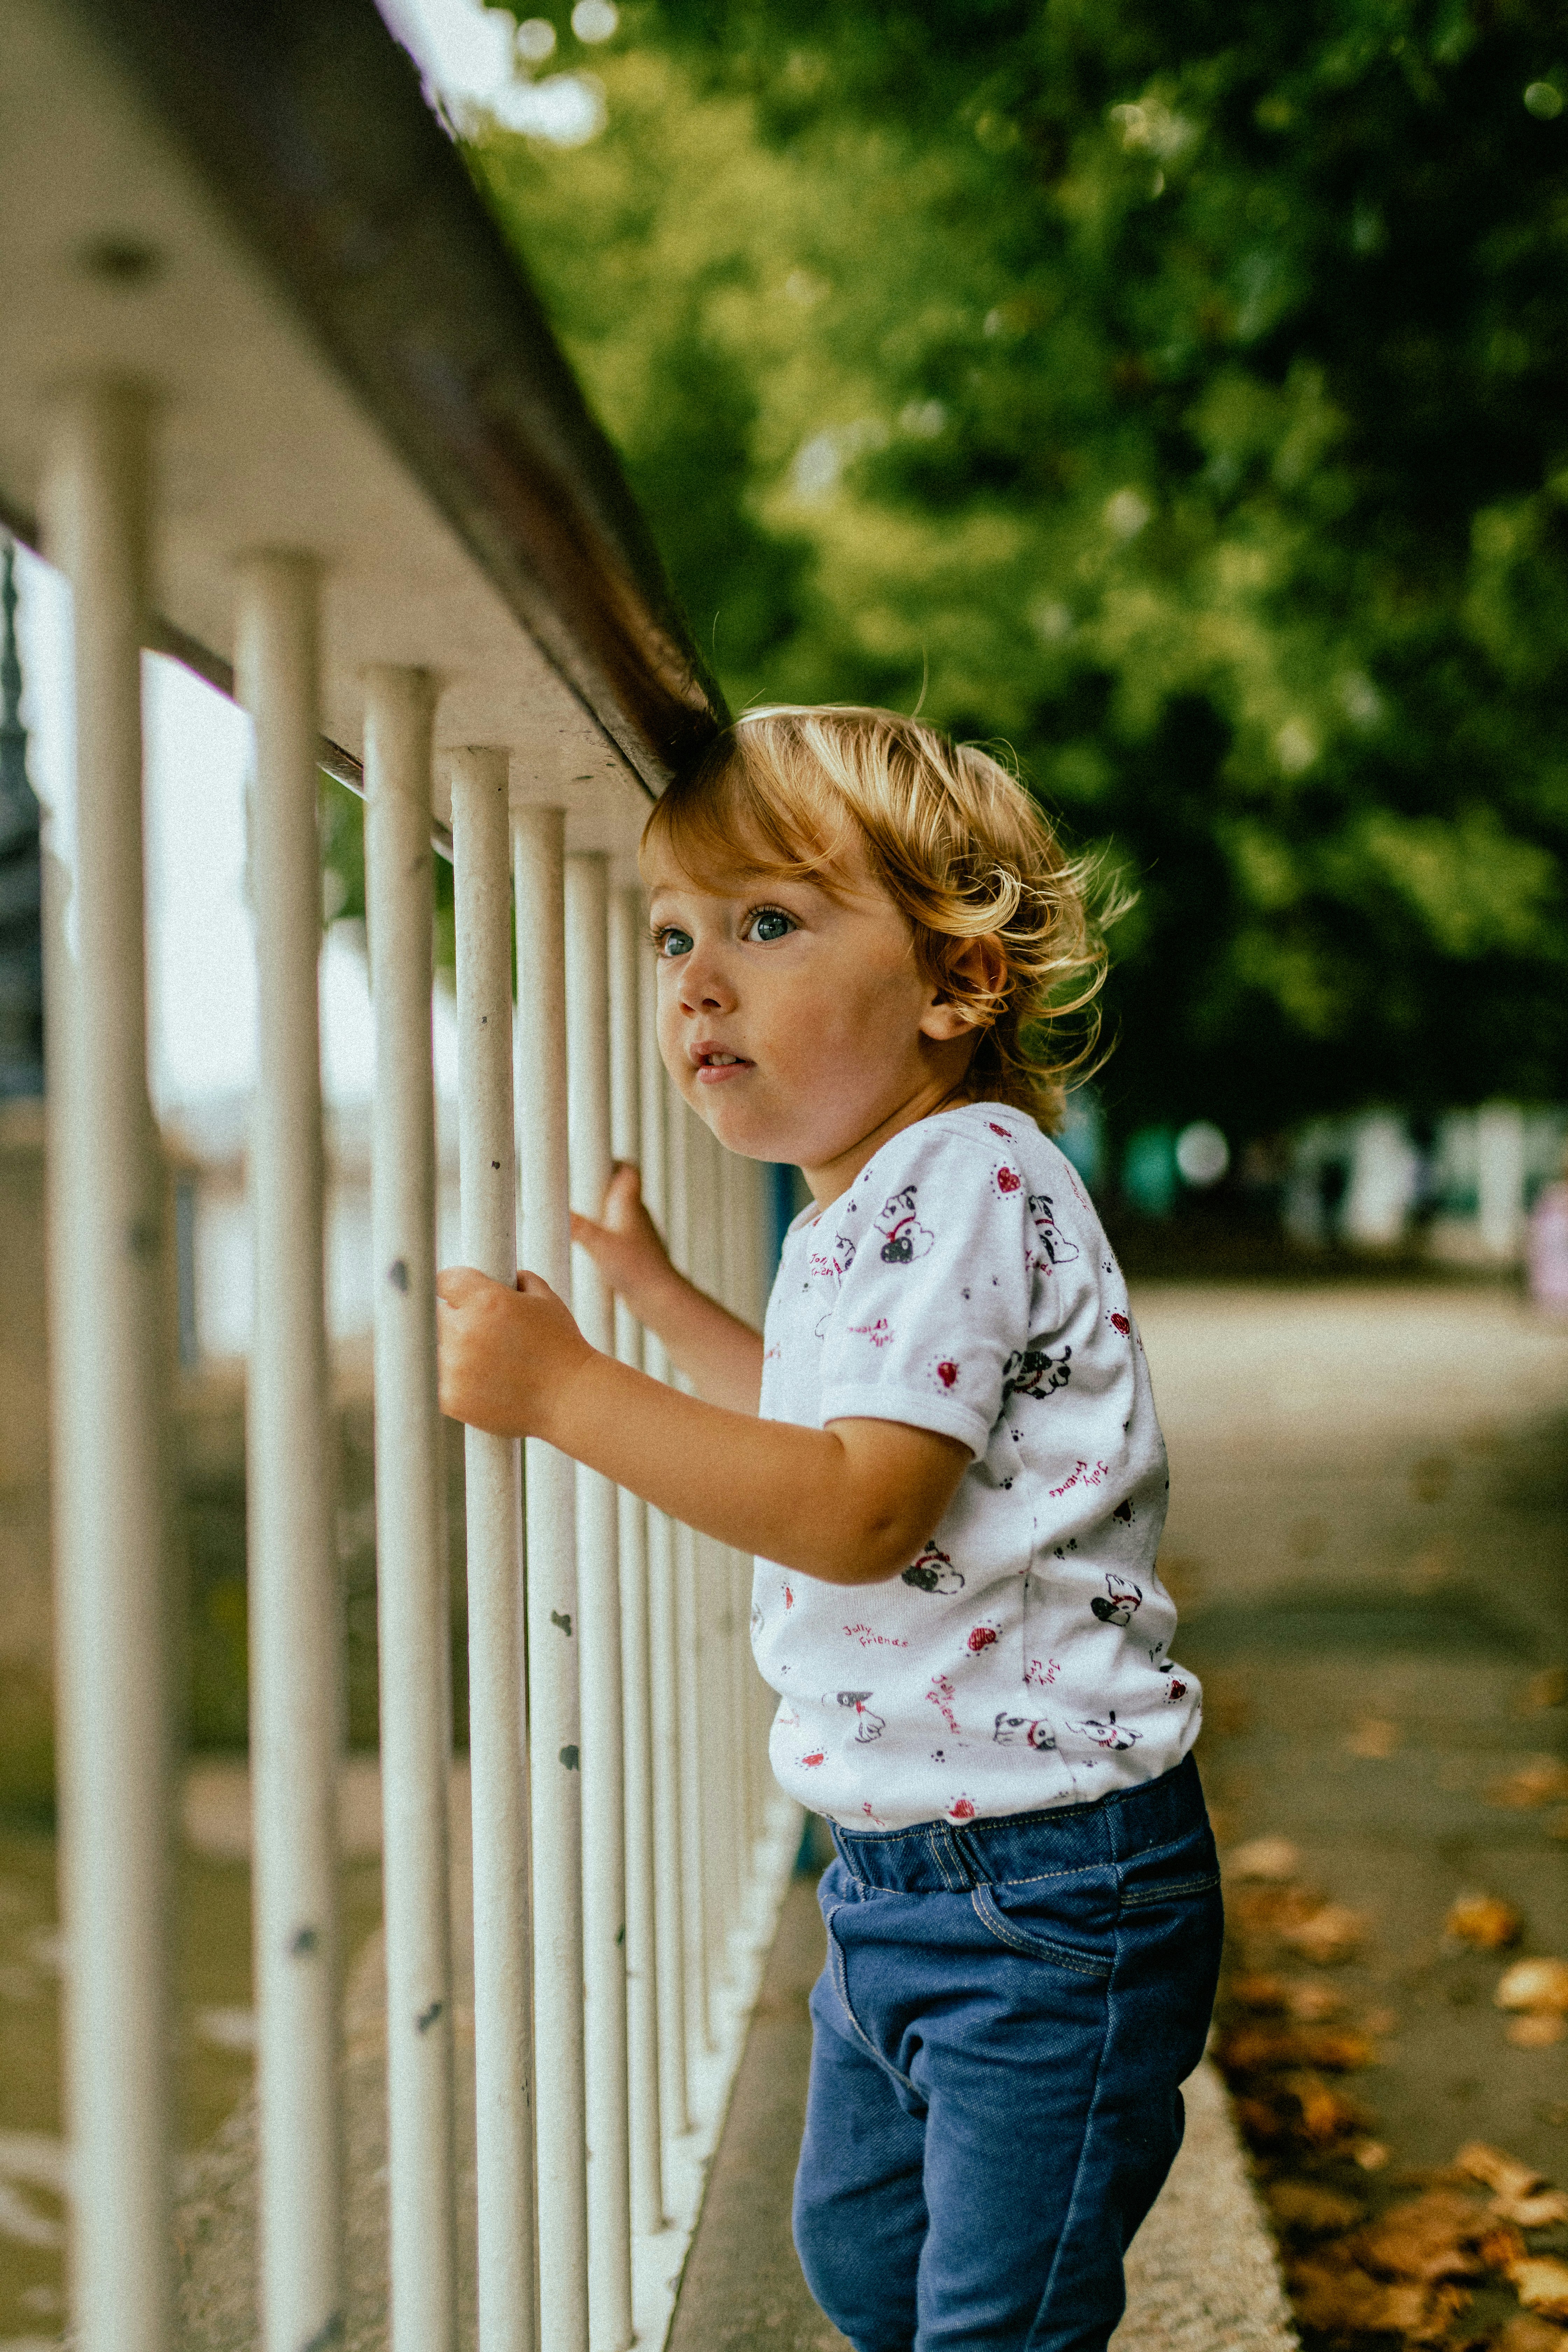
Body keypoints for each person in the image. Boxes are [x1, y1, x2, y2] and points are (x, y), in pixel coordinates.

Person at [436, 705, 1222, 2352]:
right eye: (673, 937)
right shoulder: (871, 1202)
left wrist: (568, 1393)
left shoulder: (964, 1178)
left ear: (954, 983)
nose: (696, 983)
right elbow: (828, 1422)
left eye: (767, 924)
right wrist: (656, 1303)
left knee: (995, 2319)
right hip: (902, 1873)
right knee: (864, 2258)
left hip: (1049, 1888)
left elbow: (862, 1509)